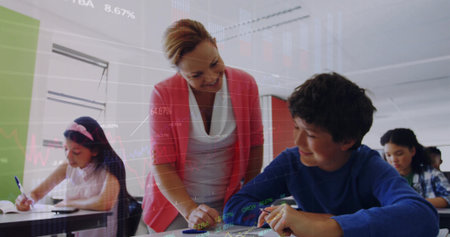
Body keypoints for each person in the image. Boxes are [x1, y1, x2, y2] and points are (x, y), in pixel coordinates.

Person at [223, 73, 438, 237]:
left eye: (310, 134)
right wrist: (280, 218)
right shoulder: (291, 162)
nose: (297, 142)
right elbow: (234, 208)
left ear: (346, 140)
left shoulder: (368, 165)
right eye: (296, 128)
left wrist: (330, 225)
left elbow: (424, 216)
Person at [141, 19, 264, 232]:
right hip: (176, 205)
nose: (211, 77)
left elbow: (255, 145)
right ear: (180, 72)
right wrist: (190, 210)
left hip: (229, 202)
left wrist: (247, 197)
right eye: (196, 75)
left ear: (215, 45)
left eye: (214, 63)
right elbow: (161, 163)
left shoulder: (246, 84)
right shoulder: (163, 93)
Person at [15, 116, 133, 237]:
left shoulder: (109, 168)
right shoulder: (68, 166)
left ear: (95, 150)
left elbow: (104, 203)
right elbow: (37, 193)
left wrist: (69, 203)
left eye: (76, 152)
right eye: (66, 149)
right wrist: (26, 199)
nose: (68, 156)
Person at [380, 128, 450, 208]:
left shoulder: (432, 174)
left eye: (399, 154)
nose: (393, 160)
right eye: (388, 155)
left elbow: (448, 197)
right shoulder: (385, 179)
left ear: (412, 151)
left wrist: (414, 203)